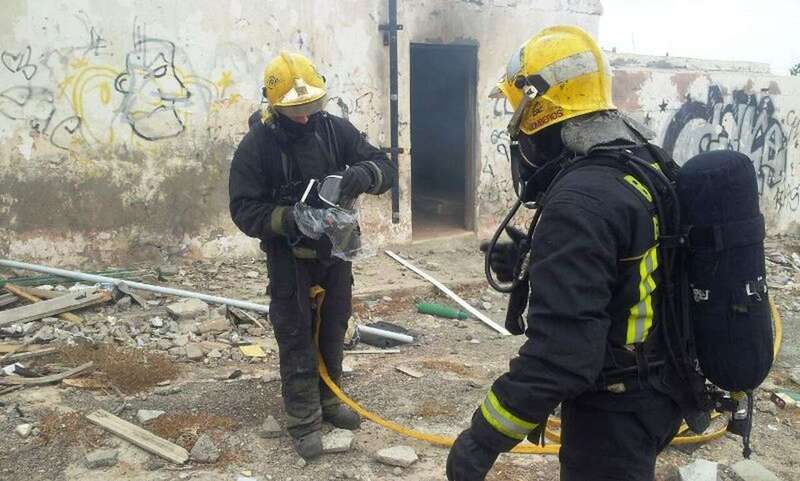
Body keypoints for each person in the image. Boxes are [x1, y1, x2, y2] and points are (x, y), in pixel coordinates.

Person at [446, 26, 684, 481]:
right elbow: (630, 258)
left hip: (615, 408)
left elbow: (562, 356)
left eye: (517, 115)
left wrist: (482, 439)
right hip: (661, 384)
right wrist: (537, 259)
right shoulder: (642, 162)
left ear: (536, 112)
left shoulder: (579, 202)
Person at [228, 52, 396, 460]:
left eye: (311, 106)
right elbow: (244, 209)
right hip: (289, 257)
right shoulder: (258, 145)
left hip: (336, 251)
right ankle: (303, 420)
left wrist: (365, 174)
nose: (304, 116)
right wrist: (290, 218)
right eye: (294, 110)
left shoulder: (334, 130)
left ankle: (329, 401)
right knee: (295, 332)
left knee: (334, 325)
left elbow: (384, 166)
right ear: (274, 105)